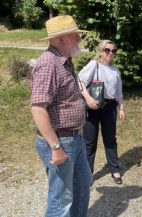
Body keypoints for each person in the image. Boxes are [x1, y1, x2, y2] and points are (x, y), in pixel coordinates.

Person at [31, 15, 92, 217]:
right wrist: (55, 147)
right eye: (75, 35)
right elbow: (38, 109)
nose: (79, 39)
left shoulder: (65, 61)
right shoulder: (49, 64)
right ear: (61, 39)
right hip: (60, 141)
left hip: (75, 137)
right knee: (61, 201)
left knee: (83, 183)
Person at [78, 40, 125, 184]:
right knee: (89, 142)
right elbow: (79, 81)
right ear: (100, 51)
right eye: (107, 50)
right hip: (93, 108)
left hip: (109, 108)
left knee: (110, 140)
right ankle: (87, 174)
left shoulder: (115, 70)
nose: (111, 53)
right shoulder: (94, 65)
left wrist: (121, 107)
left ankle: (115, 170)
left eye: (113, 51)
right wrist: (88, 98)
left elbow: (118, 92)